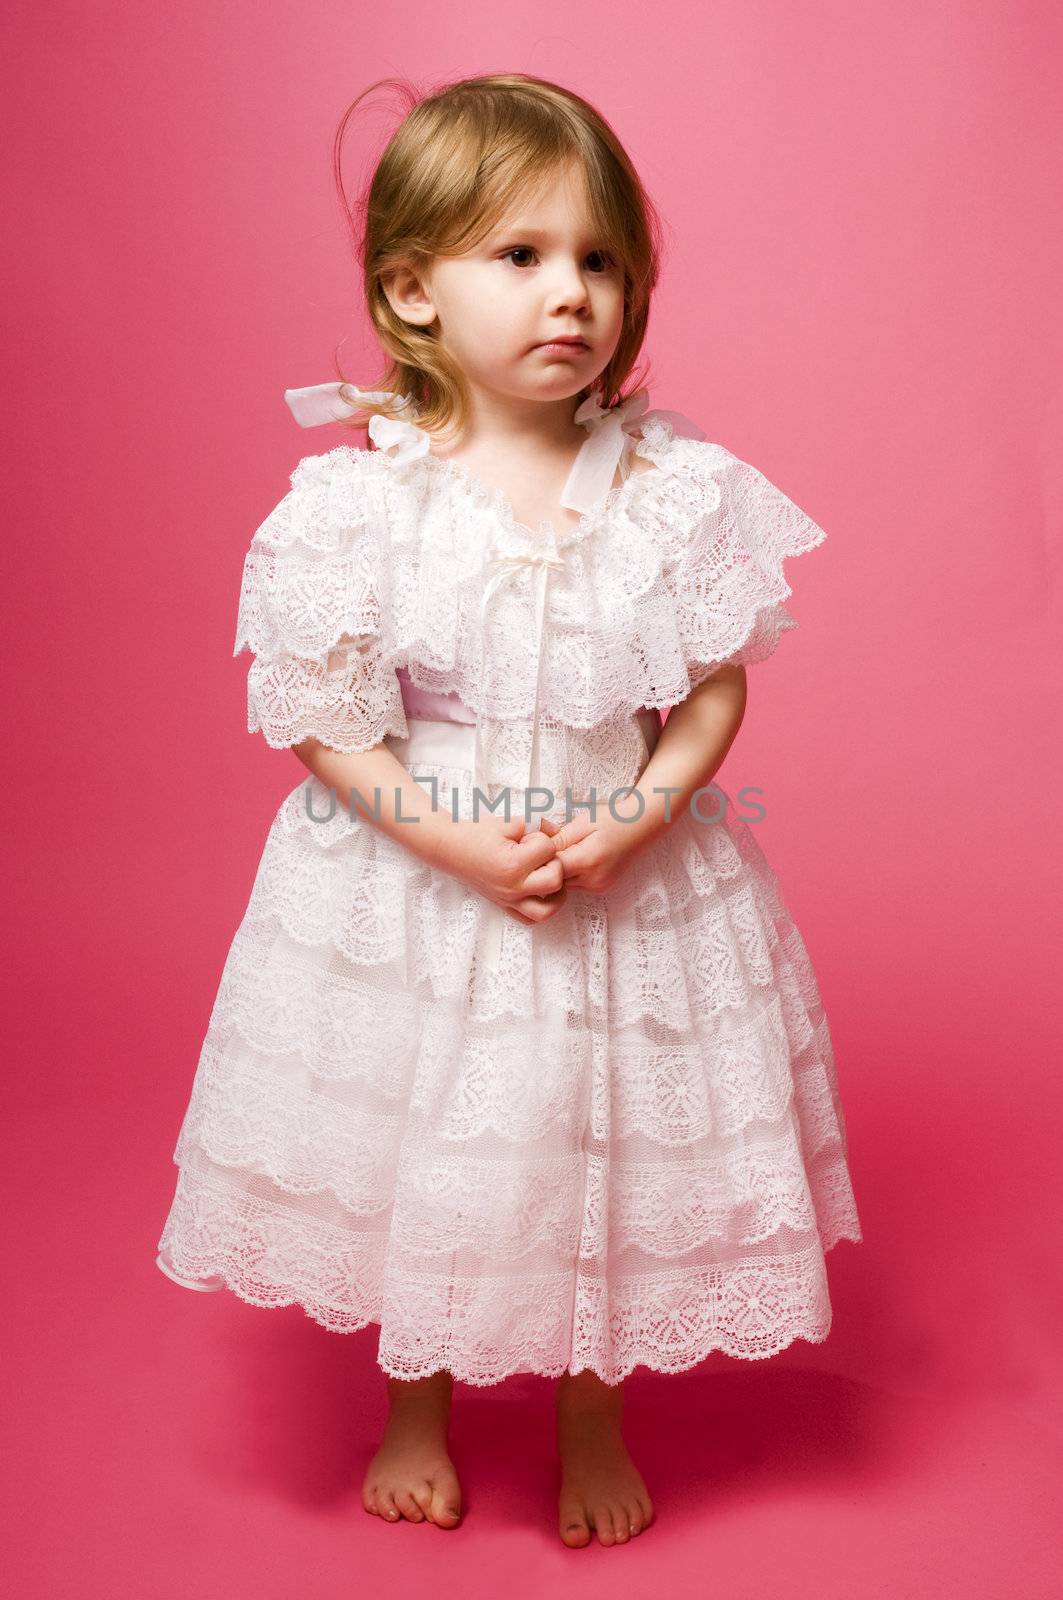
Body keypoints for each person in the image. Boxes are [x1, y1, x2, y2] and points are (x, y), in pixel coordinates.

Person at [154, 71, 863, 1548]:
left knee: (593, 1143)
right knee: (433, 1141)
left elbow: (714, 691)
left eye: (601, 260)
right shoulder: (363, 506)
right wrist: (449, 835)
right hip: (425, 879)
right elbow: (327, 726)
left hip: (621, 877)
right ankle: (415, 1402)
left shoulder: (671, 490)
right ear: (412, 290)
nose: (574, 295)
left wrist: (645, 813)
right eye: (522, 257)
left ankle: (591, 1413)